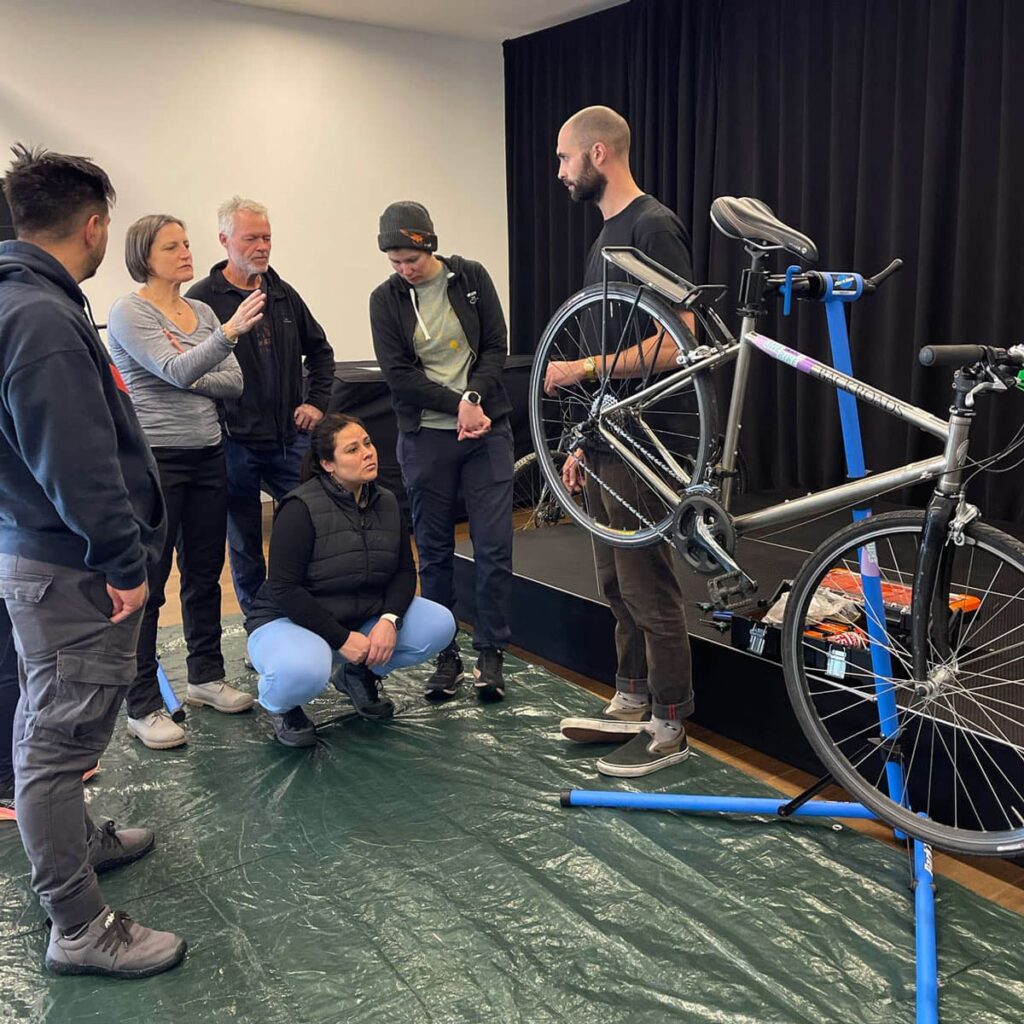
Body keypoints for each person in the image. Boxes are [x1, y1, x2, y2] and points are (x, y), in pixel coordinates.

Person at [0, 144, 185, 977]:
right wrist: (123, 560)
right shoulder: (36, 317)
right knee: (55, 735)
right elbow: (74, 463)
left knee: (64, 719)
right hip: (71, 565)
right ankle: (77, 927)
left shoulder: (30, 300)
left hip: (47, 554)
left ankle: (81, 841)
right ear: (97, 224)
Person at [544, 106, 696, 777]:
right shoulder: (604, 235)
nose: (558, 172)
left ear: (597, 153)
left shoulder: (652, 227)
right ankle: (631, 694)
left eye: (563, 158)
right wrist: (581, 440)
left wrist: (580, 370)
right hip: (606, 436)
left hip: (646, 441)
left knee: (647, 583)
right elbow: (609, 340)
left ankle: (670, 721)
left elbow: (678, 337)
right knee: (612, 579)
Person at [107, 215, 262, 750]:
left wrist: (197, 359)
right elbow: (176, 370)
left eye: (187, 243)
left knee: (204, 571)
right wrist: (223, 339)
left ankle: (203, 677)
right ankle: (142, 703)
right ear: (144, 256)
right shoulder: (129, 312)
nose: (186, 252)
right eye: (172, 246)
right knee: (149, 583)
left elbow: (232, 381)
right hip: (156, 461)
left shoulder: (198, 311)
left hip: (207, 454)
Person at [369, 202, 514, 702]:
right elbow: (400, 377)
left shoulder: (470, 277)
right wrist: (459, 406)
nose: (404, 269)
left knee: (494, 545)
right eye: (395, 262)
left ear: (429, 244)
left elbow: (496, 345)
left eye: (411, 258)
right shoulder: (384, 300)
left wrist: (475, 398)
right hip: (426, 437)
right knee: (432, 551)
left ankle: (491, 652)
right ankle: (445, 653)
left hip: (486, 432)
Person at [245, 413, 456, 747]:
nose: (368, 453)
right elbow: (285, 589)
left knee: (440, 624)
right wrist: (341, 638)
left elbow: (403, 571)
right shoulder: (299, 508)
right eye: (353, 449)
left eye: (368, 443)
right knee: (306, 671)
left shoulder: (387, 501)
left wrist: (389, 620)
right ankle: (281, 706)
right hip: (288, 620)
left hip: (359, 617)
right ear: (328, 464)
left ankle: (358, 675)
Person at [187, 197, 335, 616]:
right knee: (245, 539)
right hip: (234, 444)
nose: (262, 246)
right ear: (224, 240)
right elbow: (188, 371)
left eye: (267, 237)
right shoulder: (203, 301)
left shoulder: (283, 295)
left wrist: (316, 403)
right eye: (251, 238)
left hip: (290, 441)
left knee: (313, 523)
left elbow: (321, 353)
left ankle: (308, 609)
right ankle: (260, 622)